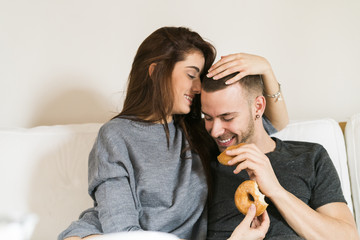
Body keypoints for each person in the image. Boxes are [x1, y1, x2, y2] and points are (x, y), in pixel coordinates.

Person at [58, 27, 285, 240]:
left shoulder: (202, 130)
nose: (198, 87)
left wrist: (265, 68)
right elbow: (122, 231)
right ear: (156, 71)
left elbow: (275, 122)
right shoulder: (115, 135)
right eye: (191, 74)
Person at [201, 73, 359, 239]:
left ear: (258, 107)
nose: (215, 130)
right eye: (208, 117)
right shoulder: (201, 165)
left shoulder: (309, 157)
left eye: (227, 117)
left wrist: (275, 190)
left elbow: (348, 237)